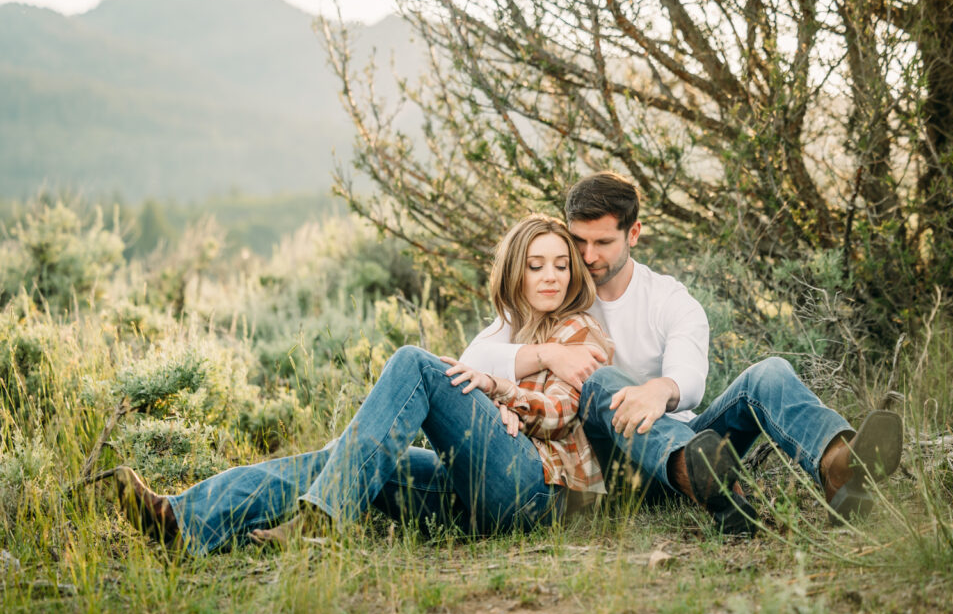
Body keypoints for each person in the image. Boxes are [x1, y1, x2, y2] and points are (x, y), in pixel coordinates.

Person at [109, 214, 612, 554]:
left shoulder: (580, 329)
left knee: (414, 364)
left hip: (538, 492)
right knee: (343, 458)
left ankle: (321, 521)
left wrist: (504, 395)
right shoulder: (505, 330)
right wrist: (491, 397)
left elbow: (560, 412)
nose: (552, 277)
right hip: (475, 493)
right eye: (536, 265)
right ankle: (182, 521)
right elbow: (476, 374)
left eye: (562, 266)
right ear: (514, 273)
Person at [460, 171, 903, 534]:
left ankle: (838, 465)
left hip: (692, 447)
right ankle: (706, 480)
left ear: (633, 233)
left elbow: (691, 378)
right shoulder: (555, 290)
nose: (587, 256)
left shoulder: (669, 300)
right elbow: (471, 360)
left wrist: (661, 391)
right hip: (610, 466)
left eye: (603, 243)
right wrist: (548, 355)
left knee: (769, 372)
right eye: (578, 242)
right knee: (601, 381)